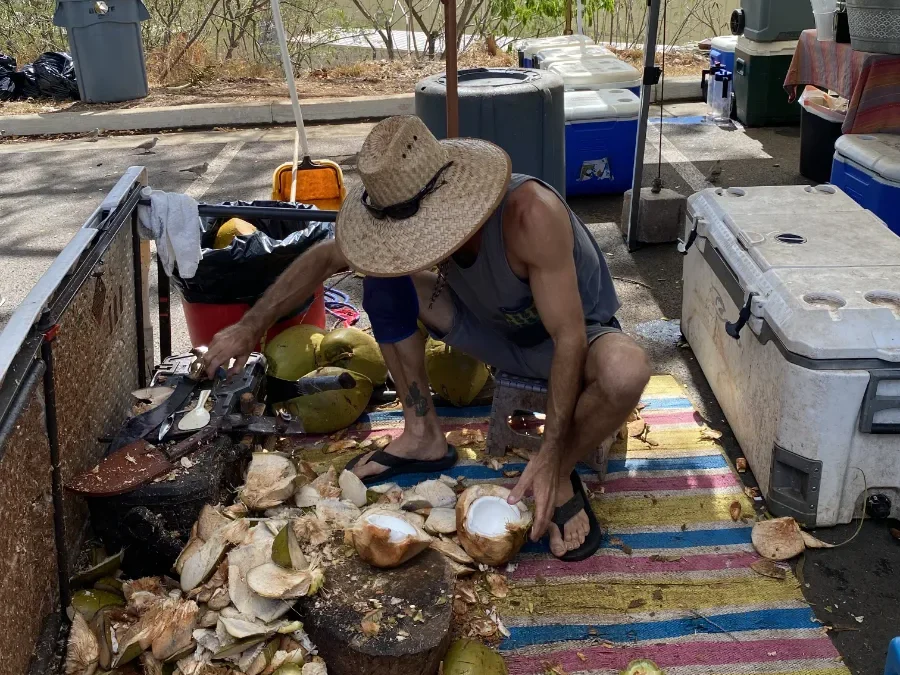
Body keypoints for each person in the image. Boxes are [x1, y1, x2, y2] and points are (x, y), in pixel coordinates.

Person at [204, 116, 650, 562]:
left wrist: (553, 451)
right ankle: (423, 435)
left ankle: (562, 472)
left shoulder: (528, 213)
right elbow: (323, 258)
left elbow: (569, 336)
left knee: (627, 372)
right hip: (493, 335)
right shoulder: (399, 208)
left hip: (576, 339)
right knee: (380, 277)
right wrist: (250, 326)